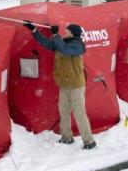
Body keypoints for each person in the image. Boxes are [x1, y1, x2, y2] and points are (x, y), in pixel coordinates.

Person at [23, 20, 97, 150]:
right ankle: (66, 137)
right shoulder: (61, 42)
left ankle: (89, 141)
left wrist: (55, 35)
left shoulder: (78, 45)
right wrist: (34, 30)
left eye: (67, 31)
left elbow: (65, 49)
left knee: (79, 113)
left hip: (76, 85)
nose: (64, 32)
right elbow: (45, 43)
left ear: (73, 33)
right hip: (64, 84)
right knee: (64, 112)